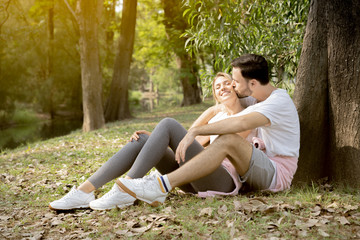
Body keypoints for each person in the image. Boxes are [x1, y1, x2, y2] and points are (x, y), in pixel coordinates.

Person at [49, 72, 253, 211]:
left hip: (221, 179)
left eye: (227, 83)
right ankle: (84, 191)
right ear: (215, 94)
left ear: (235, 86)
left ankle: (124, 189)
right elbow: (188, 140)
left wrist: (171, 133)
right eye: (218, 86)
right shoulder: (213, 113)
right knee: (144, 138)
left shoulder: (248, 115)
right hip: (190, 178)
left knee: (168, 123)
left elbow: (224, 147)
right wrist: (156, 139)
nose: (223, 87)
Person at [116, 54, 300, 207]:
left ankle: (159, 185)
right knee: (221, 139)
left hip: (277, 173)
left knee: (229, 139)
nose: (233, 85)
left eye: (235, 81)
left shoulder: (278, 102)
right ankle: (142, 185)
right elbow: (226, 107)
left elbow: (239, 123)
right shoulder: (258, 99)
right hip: (261, 166)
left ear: (252, 84)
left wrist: (196, 131)